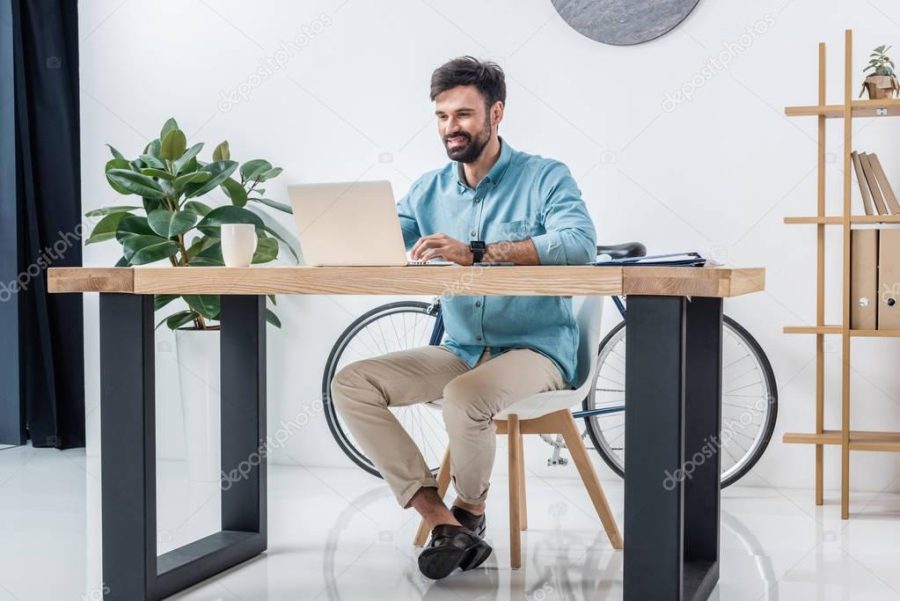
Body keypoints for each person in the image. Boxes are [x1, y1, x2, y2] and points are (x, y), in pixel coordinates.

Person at [330, 56, 597, 579]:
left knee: (466, 396)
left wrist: (479, 251)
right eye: (441, 116)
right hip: (460, 349)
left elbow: (578, 244)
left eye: (464, 114)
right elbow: (389, 238)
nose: (451, 127)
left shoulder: (544, 177)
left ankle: (471, 513)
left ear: (496, 114)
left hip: (535, 350)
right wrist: (342, 234)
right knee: (352, 383)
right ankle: (442, 520)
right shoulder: (429, 190)